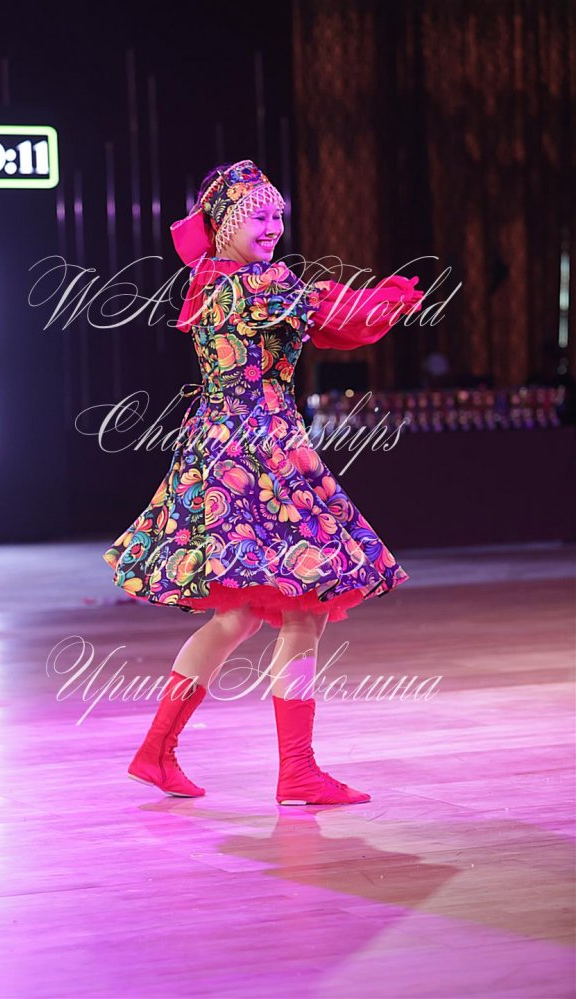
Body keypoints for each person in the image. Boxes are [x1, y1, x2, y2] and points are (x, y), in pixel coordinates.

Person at [103, 159, 424, 806]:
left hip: (219, 446)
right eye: (260, 216)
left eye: (279, 215)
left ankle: (158, 750)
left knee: (241, 614)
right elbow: (336, 314)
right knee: (302, 603)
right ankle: (294, 770)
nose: (274, 226)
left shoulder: (206, 279)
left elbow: (322, 320)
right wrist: (391, 298)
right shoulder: (260, 283)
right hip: (261, 452)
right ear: (224, 223)